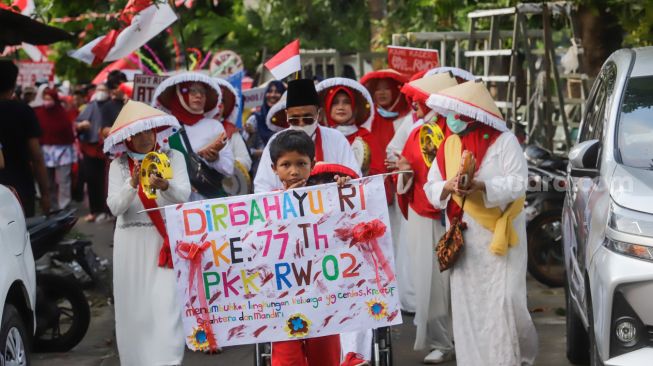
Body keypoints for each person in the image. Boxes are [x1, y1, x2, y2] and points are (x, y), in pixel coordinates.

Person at [424, 80, 538, 366]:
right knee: (469, 305)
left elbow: (518, 182)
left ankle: (510, 359)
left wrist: (483, 185)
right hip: (466, 237)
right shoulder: (448, 143)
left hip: (501, 233)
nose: (454, 119)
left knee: (507, 301)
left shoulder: (504, 140)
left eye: (459, 113)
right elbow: (431, 184)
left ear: (474, 113)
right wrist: (448, 186)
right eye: (451, 114)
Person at [104, 100, 190, 366]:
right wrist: (132, 184)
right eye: (138, 133)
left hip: (163, 240)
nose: (145, 138)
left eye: (149, 131)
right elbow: (115, 207)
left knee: (167, 306)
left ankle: (169, 361)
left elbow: (184, 196)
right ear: (128, 137)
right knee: (135, 311)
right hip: (130, 244)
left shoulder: (173, 157)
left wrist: (166, 185)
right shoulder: (118, 166)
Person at [391, 72, 460, 364]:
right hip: (425, 213)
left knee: (456, 282)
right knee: (431, 281)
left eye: (416, 101)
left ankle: (463, 336)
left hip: (457, 213)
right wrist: (404, 171)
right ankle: (441, 341)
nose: (413, 107)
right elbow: (407, 175)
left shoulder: (456, 130)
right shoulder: (419, 131)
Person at [267, 129, 351, 366]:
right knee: (287, 360)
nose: (294, 171)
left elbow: (348, 220)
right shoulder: (264, 205)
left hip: (323, 295)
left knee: (326, 358)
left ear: (313, 164)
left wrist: (344, 190)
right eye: (285, 164)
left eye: (301, 163)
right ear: (274, 168)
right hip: (283, 298)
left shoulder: (327, 193)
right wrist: (286, 204)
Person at [254, 79, 360, 193]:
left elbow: (356, 179)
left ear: (318, 114)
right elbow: (262, 189)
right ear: (286, 115)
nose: (301, 124)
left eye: (307, 119)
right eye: (294, 119)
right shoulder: (275, 141)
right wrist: (287, 195)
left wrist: (346, 181)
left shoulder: (336, 138)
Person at [152, 72, 234, 200]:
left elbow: (229, 169)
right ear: (179, 95)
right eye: (192, 90)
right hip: (175, 199)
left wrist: (215, 159)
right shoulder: (165, 127)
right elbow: (156, 166)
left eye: (203, 92)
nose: (199, 95)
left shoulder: (214, 126)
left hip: (208, 197)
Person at [0, 60, 50, 217]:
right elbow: (37, 157)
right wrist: (45, 194)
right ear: (14, 84)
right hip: (20, 190)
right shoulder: (24, 111)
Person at [315, 77, 384, 176]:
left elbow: (378, 173)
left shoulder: (365, 136)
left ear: (354, 108)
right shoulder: (319, 136)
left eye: (346, 102)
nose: (341, 107)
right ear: (327, 108)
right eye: (335, 103)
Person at [33, 87, 77, 210]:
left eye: (49, 99)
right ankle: (51, 206)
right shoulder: (39, 114)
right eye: (45, 99)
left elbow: (69, 134)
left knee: (64, 181)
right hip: (45, 152)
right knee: (48, 182)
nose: (47, 101)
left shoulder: (62, 114)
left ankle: (64, 206)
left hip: (63, 152)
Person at [76, 83, 112, 222]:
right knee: (91, 180)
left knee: (105, 181)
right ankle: (94, 210)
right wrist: (81, 125)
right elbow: (77, 124)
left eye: (104, 90)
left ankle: (106, 210)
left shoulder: (110, 106)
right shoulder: (89, 107)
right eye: (99, 90)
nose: (101, 92)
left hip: (106, 149)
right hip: (90, 149)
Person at [213, 78, 253, 193]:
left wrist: (222, 162)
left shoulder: (231, 132)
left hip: (229, 189)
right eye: (214, 102)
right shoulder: (191, 132)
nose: (218, 107)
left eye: (221, 102)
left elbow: (246, 161)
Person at [245, 81, 285, 173]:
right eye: (270, 91)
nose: (272, 95)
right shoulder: (254, 120)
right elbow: (245, 151)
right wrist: (264, 153)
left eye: (277, 92)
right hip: (261, 171)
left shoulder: (288, 120)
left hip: (284, 172)